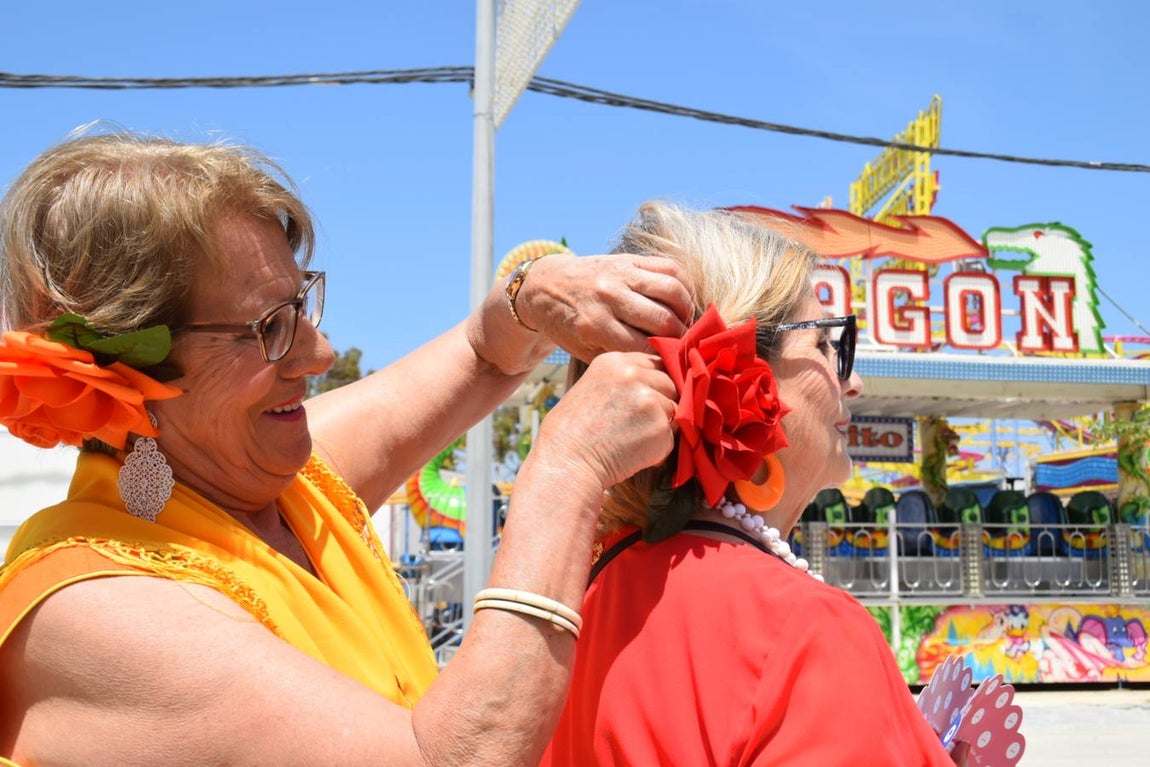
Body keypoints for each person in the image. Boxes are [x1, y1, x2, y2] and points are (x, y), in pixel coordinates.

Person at [0, 130, 693, 766]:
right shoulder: (91, 608)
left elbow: (483, 354)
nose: (319, 352)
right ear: (136, 370)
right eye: (270, 327)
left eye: (301, 304)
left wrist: (536, 292)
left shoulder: (282, 480)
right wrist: (568, 470)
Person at [540, 201, 960, 766]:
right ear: (743, 375)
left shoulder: (578, 594)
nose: (854, 382)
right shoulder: (810, 631)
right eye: (829, 346)